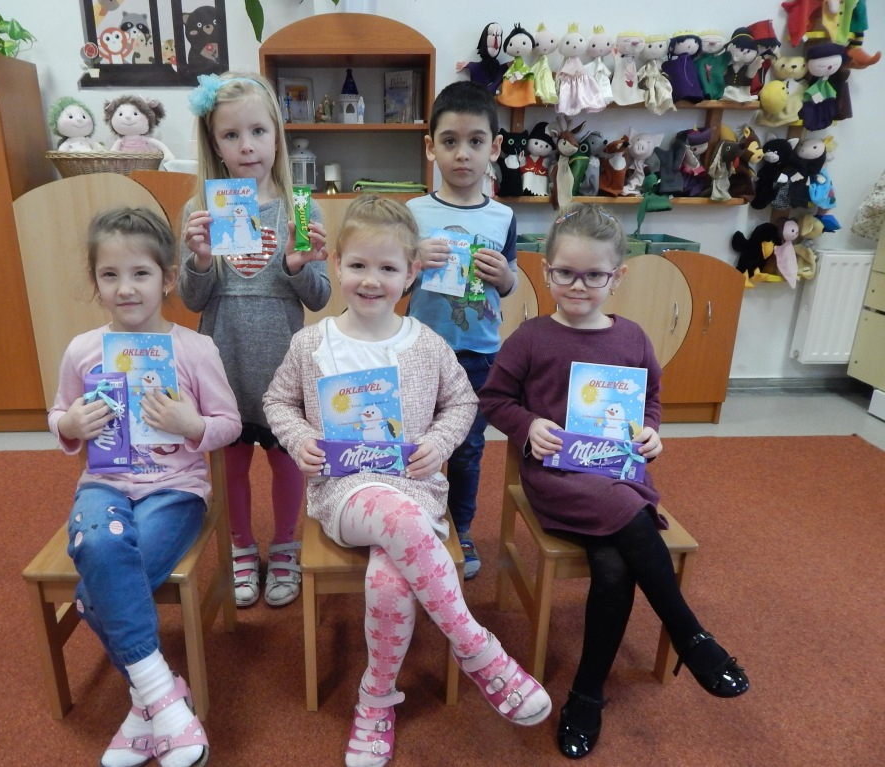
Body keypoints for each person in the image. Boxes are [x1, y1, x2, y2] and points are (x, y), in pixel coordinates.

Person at [263, 195, 551, 767]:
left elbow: (462, 401)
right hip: (343, 491)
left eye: (388, 267)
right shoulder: (311, 343)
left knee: (391, 582)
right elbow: (278, 400)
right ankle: (476, 648)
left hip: (415, 486)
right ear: (336, 264)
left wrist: (438, 444)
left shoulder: (426, 343)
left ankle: (376, 700)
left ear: (412, 272)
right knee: (394, 521)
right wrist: (299, 439)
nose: (371, 280)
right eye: (358, 265)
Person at [478, 203, 750, 761]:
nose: (578, 286)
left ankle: (586, 695)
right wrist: (529, 426)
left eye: (594, 275)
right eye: (565, 273)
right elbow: (494, 400)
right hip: (558, 475)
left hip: (616, 473)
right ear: (546, 271)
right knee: (625, 510)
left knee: (614, 568)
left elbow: (650, 402)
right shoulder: (531, 337)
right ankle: (690, 634)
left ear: (617, 276)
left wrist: (651, 434)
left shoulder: (633, 339)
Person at [49, 207, 242, 767]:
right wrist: (70, 424)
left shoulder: (195, 349)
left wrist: (192, 425)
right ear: (95, 282)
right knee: (96, 541)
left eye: (140, 273)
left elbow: (229, 423)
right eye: (110, 275)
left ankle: (143, 705)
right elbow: (59, 413)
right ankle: (162, 696)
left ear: (168, 277)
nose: (126, 288)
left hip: (175, 491)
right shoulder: (83, 350)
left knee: (95, 593)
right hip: (104, 485)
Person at [179, 72, 331, 609]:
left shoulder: (300, 207)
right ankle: (241, 546)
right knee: (232, 464)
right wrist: (201, 260)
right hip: (224, 365)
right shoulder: (200, 212)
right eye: (231, 135)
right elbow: (192, 300)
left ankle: (286, 545)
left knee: (288, 462)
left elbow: (320, 297)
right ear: (214, 144)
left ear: (277, 136)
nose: (247, 146)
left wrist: (297, 265)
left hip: (284, 366)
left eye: (258, 132)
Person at [405, 79, 518, 579]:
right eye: (449, 141)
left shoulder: (504, 215)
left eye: (475, 141)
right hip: (420, 349)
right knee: (417, 441)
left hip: (478, 353)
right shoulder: (414, 212)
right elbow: (394, 281)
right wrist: (413, 262)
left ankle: (463, 528)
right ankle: (419, 519)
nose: (462, 154)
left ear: (494, 147)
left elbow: (510, 282)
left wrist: (505, 276)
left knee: (469, 447)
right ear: (431, 147)